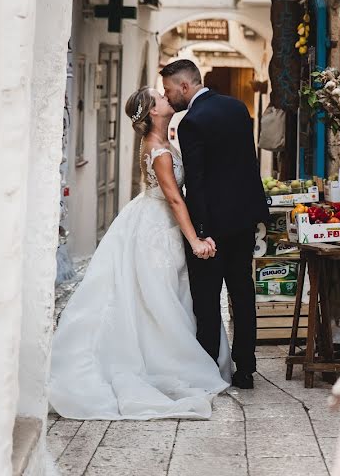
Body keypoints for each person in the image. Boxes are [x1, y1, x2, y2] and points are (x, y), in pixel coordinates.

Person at [48, 87, 231, 420]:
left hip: (155, 220)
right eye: (160, 97)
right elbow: (175, 199)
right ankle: (159, 363)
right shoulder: (159, 151)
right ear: (151, 112)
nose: (166, 98)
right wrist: (195, 241)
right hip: (156, 228)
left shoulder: (162, 144)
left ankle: (164, 356)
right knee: (157, 297)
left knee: (164, 296)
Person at [160, 59, 270, 389]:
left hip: (215, 225)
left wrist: (201, 233)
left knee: (207, 299)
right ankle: (246, 368)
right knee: (242, 291)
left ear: (184, 86)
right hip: (244, 218)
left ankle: (208, 367)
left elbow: (198, 182)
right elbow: (246, 164)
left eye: (169, 90)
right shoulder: (237, 108)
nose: (168, 97)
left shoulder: (192, 121)